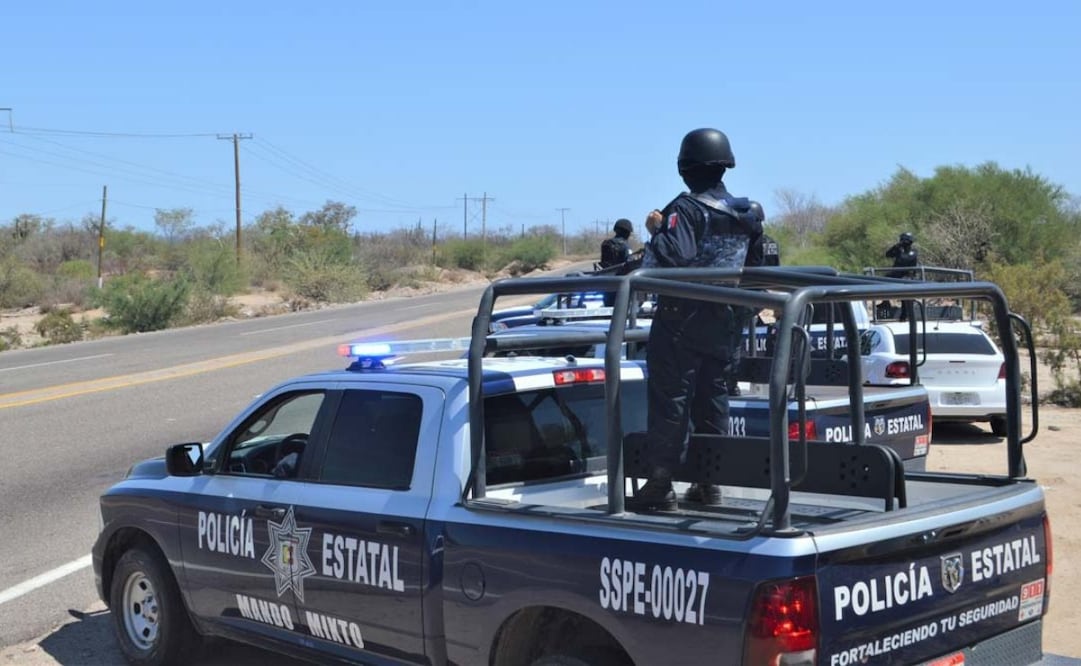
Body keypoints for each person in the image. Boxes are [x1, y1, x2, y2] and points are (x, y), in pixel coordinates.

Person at [629, 128, 765, 511]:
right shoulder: (748, 213)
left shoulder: (685, 210)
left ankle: (660, 485)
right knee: (713, 399)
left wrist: (657, 230)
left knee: (671, 400)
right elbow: (757, 265)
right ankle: (709, 483)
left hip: (680, 320)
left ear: (684, 168)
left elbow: (675, 257)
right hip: (725, 321)